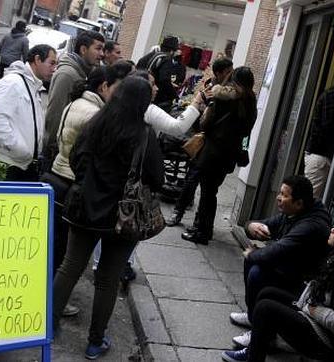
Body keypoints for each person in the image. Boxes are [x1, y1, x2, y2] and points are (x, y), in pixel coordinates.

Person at [52, 76, 164, 360]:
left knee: (70, 267)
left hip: (84, 206)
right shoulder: (144, 134)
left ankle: (47, 326)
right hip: (122, 218)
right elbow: (157, 177)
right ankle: (95, 341)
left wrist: (91, 184)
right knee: (107, 279)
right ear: (143, 103)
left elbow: (76, 159)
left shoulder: (96, 122)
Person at [91, 68, 206, 285]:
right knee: (130, 224)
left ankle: (101, 264)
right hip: (134, 182)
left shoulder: (111, 109)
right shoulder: (148, 110)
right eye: (151, 84)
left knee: (107, 224)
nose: (156, 88)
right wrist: (195, 105)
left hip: (107, 181)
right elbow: (177, 127)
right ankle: (120, 265)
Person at [41, 63, 133, 317]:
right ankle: (50, 306)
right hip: (72, 183)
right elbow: (84, 156)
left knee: (61, 252)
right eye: (118, 88)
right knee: (66, 258)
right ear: (104, 86)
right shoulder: (95, 114)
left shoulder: (76, 103)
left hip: (60, 175)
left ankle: (49, 304)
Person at [222, 215, 334, 362]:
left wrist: (314, 311)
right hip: (317, 322)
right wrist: (306, 304)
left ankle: (253, 356)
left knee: (266, 309)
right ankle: (260, 345)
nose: (333, 230)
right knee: (268, 294)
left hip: (329, 341)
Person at [228, 175, 331, 329]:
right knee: (253, 262)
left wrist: (251, 253)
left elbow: (277, 250)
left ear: (298, 203)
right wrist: (252, 226)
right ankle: (253, 316)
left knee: (256, 270)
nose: (278, 198)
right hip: (289, 269)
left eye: (284, 195)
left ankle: (260, 326)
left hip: (303, 284)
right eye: (280, 193)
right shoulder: (292, 213)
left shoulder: (311, 226)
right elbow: (259, 224)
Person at [180, 66, 257, 245]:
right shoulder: (251, 102)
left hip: (213, 151)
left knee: (207, 193)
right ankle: (202, 227)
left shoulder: (223, 98)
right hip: (229, 154)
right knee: (211, 191)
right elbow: (247, 132)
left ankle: (202, 232)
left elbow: (206, 124)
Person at [166, 57, 234, 227]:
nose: (230, 74)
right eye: (227, 71)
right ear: (219, 73)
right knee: (192, 178)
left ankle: (198, 221)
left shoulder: (233, 92)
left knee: (209, 187)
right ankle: (179, 211)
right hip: (204, 141)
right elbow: (197, 111)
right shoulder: (207, 90)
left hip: (221, 146)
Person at [0, 45, 57, 181]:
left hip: (21, 165)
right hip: (8, 165)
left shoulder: (33, 85)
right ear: (37, 59)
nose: (54, 69)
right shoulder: (13, 83)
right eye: (51, 63)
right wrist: (20, 150)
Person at [43, 30, 105, 172]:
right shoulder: (67, 74)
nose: (102, 54)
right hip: (56, 154)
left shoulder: (84, 72)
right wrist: (51, 149)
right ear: (83, 49)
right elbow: (54, 114)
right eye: (98, 48)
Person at [304, 76, 334, 198]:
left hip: (320, 154)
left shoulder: (333, 94)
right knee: (310, 201)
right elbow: (328, 126)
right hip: (321, 156)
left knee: (312, 200)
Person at [136, 35, 180, 112]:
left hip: (139, 92)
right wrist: (174, 95)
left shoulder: (150, 56)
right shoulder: (167, 59)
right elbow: (164, 79)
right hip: (155, 99)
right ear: (172, 51)